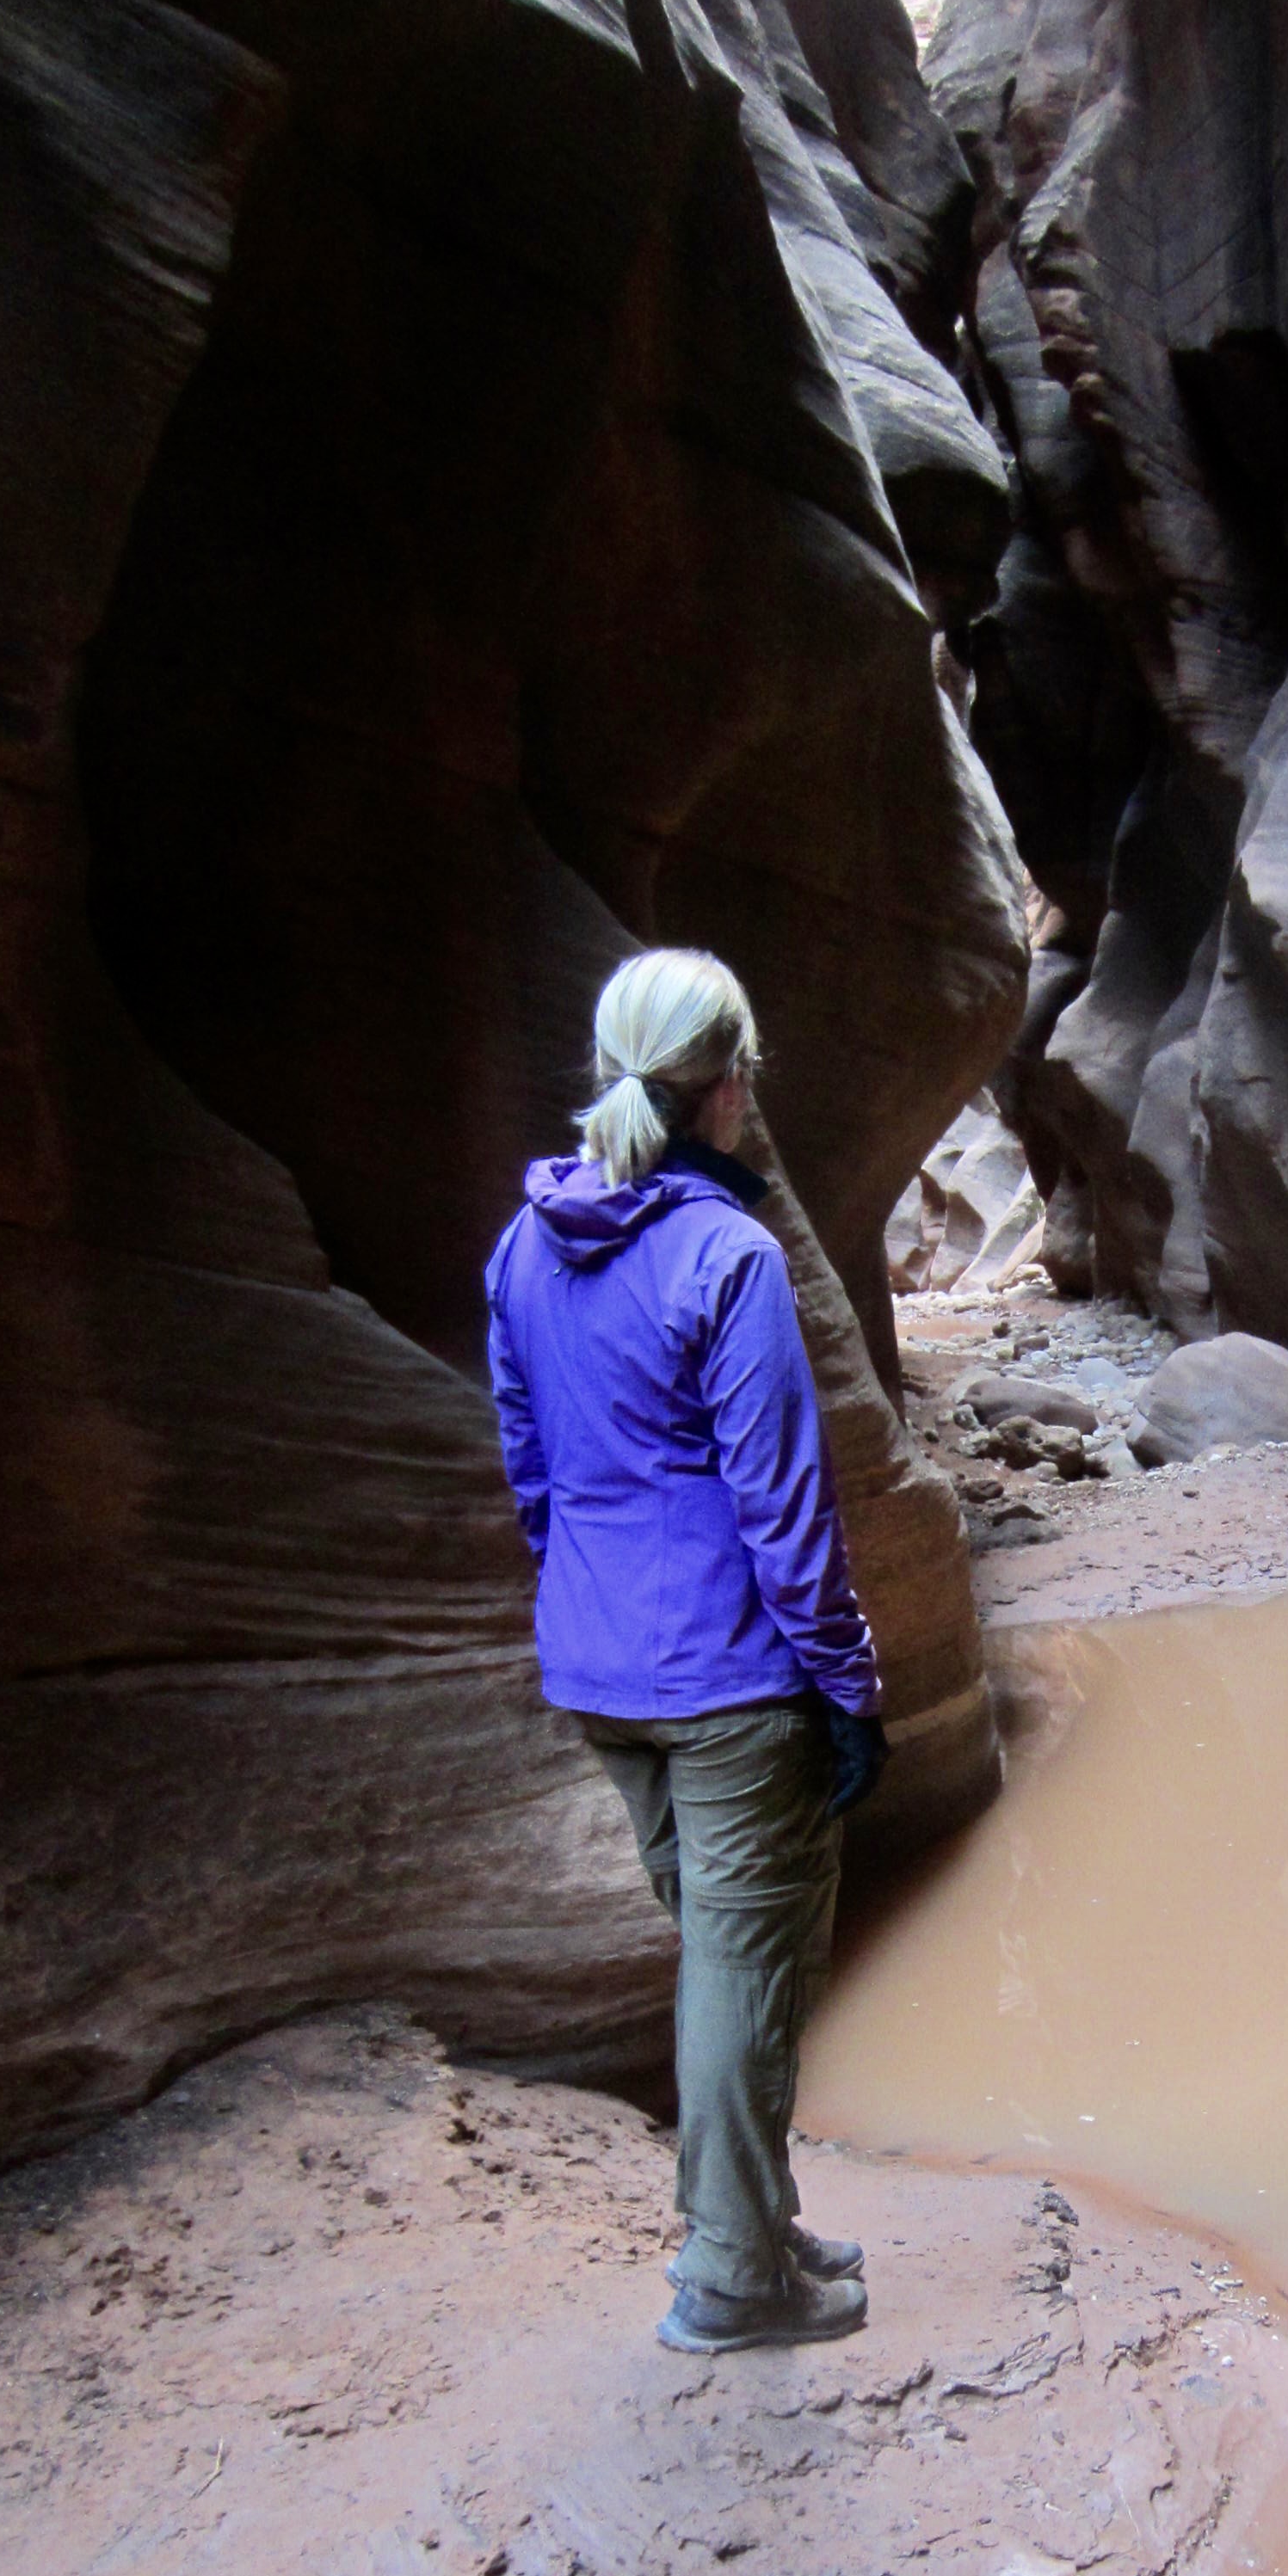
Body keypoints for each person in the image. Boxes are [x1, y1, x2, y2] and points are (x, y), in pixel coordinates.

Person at [486, 948, 889, 2354]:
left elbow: (533, 1475)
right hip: (733, 1679)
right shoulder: (729, 1256)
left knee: (727, 1958)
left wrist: (595, 1609)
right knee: (745, 1971)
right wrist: (850, 1686)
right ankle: (730, 2277)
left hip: (600, 1672)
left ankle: (752, 2218)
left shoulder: (523, 1246)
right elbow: (785, 1511)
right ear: (730, 1085)